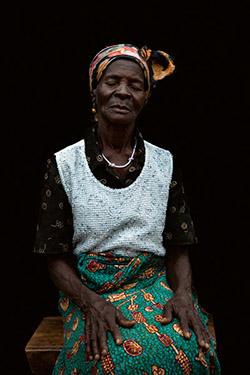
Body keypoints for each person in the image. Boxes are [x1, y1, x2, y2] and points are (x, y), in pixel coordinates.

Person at [34, 43, 221, 374]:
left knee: (195, 352)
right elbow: (54, 257)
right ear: (95, 91)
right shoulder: (65, 164)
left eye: (135, 85)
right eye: (112, 82)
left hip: (152, 284)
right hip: (89, 290)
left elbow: (179, 246)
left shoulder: (165, 163)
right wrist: (92, 303)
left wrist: (182, 295)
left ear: (146, 97)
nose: (122, 92)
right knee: (110, 359)